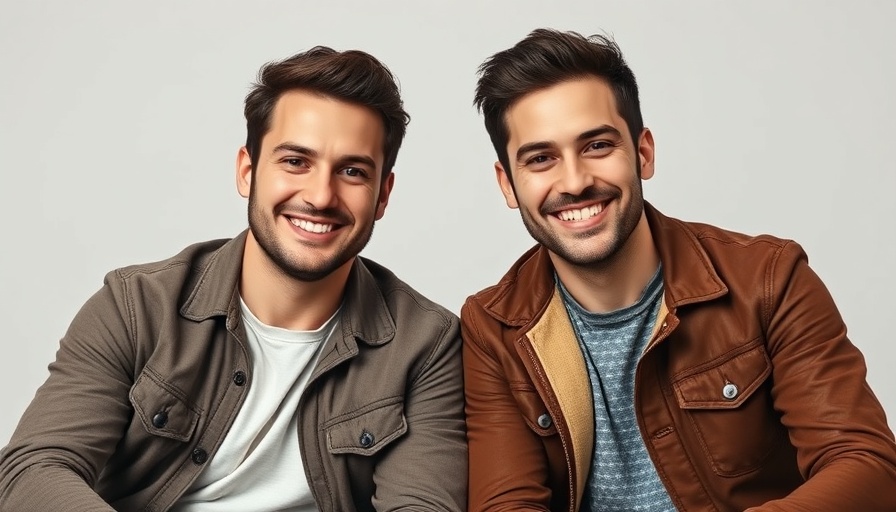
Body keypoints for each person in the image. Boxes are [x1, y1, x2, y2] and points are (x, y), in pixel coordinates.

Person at [0, 46, 466, 511]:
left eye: (352, 171)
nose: (321, 196)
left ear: (383, 195)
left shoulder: (426, 344)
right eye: (295, 162)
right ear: (247, 171)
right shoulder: (135, 306)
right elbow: (35, 468)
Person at [461, 28, 896, 512]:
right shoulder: (493, 328)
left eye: (597, 146)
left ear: (643, 152)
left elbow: (866, 466)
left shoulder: (768, 279)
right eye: (541, 159)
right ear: (507, 184)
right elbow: (507, 505)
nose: (575, 181)